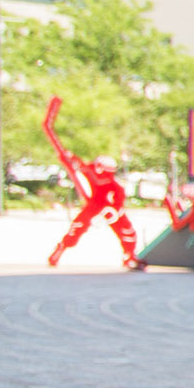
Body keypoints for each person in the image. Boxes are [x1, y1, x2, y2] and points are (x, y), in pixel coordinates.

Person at [39, 98, 142, 271]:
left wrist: (113, 209)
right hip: (95, 205)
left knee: (127, 231)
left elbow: (118, 199)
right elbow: (70, 159)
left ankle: (129, 256)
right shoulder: (89, 172)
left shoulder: (112, 184)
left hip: (109, 208)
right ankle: (59, 252)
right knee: (76, 229)